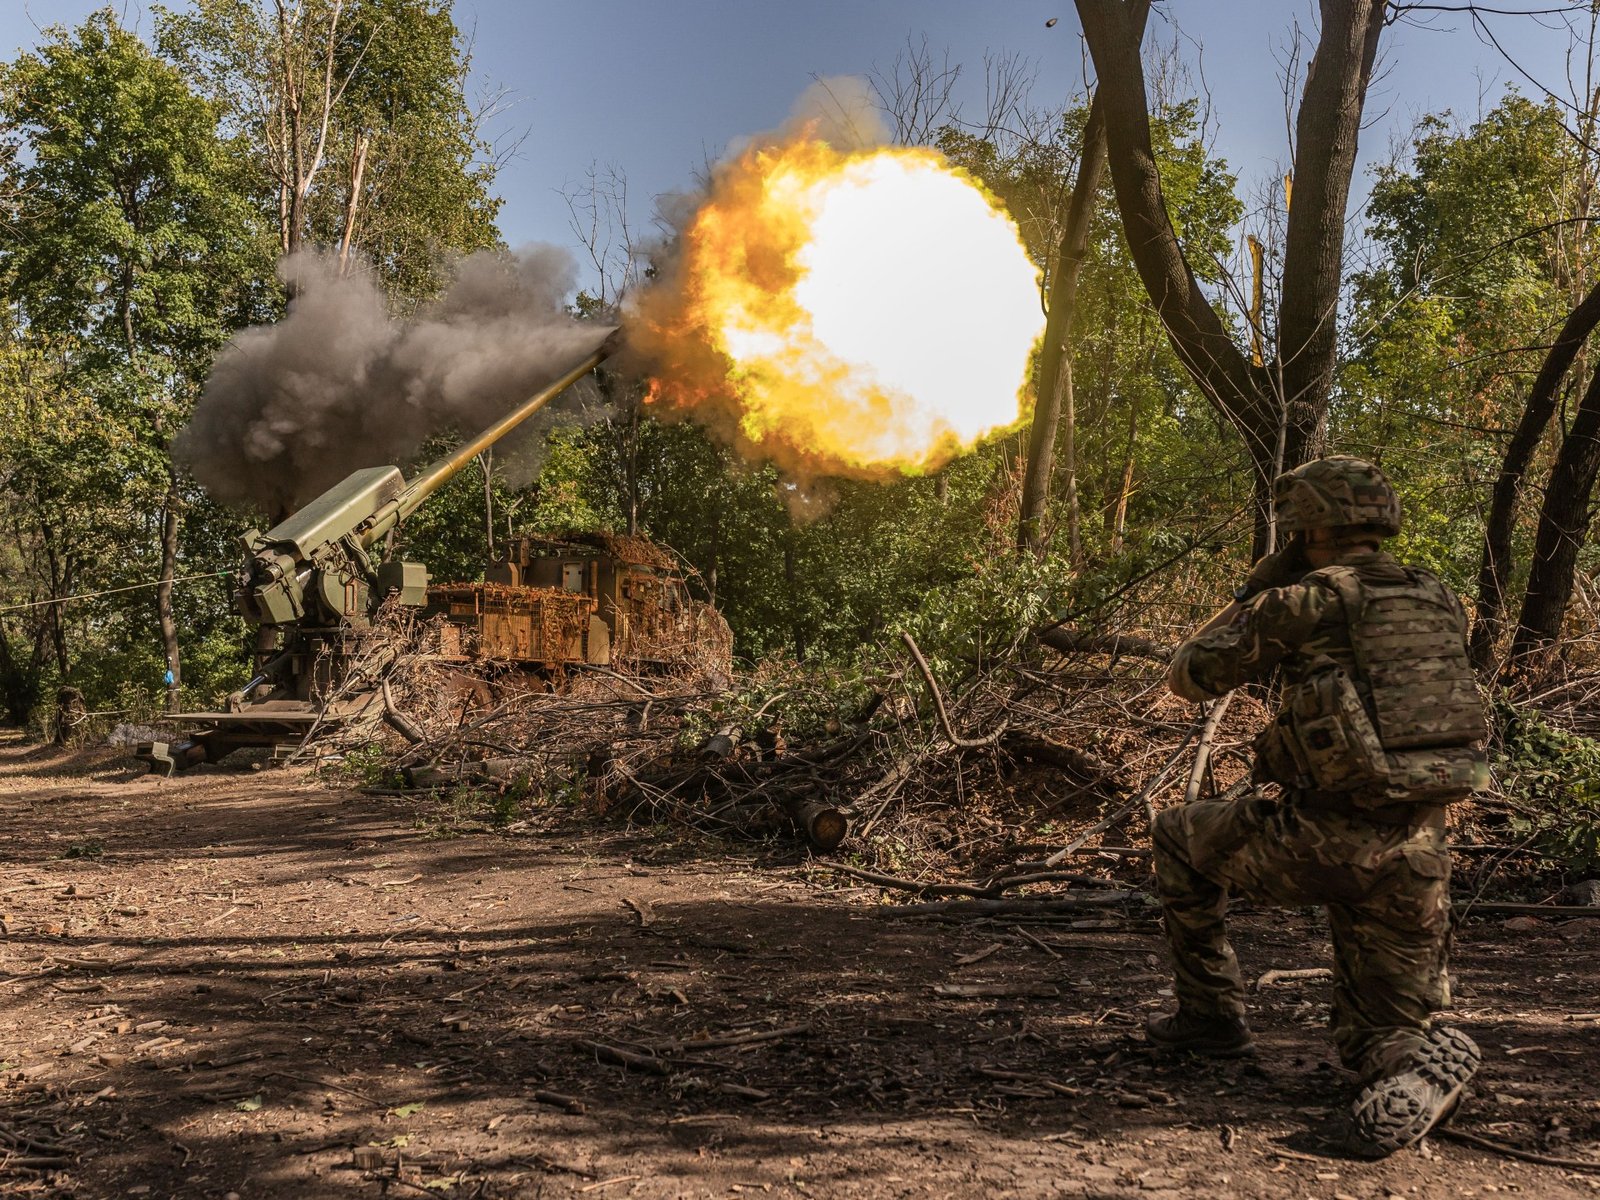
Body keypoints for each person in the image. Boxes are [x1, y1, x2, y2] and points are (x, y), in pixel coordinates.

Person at [1147, 455, 1489, 1158]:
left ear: (1305, 526)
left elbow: (1188, 676)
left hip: (1320, 841)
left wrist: (1257, 587)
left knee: (1178, 836)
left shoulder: (1305, 600)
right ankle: (1414, 1070)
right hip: (1420, 850)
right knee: (1382, 1032)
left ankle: (1211, 1019)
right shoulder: (1438, 596)